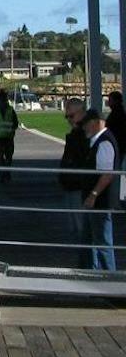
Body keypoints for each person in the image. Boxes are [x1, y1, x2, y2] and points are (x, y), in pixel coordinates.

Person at [80, 108, 118, 271]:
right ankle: (95, 272)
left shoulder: (104, 142)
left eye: (86, 124)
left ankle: (109, 276)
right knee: (95, 239)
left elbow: (107, 174)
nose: (84, 127)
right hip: (96, 201)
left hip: (100, 202)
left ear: (95, 123)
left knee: (102, 241)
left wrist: (93, 194)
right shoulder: (98, 141)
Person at [57, 98, 91, 267]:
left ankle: (88, 265)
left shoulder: (84, 135)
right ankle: (84, 263)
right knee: (76, 228)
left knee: (82, 228)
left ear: (81, 113)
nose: (69, 120)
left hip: (79, 186)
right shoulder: (75, 134)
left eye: (71, 116)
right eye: (67, 117)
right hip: (71, 185)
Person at [0, 88, 20, 176]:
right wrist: (12, 130)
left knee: (1, 157)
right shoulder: (10, 110)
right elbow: (16, 123)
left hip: (0, 138)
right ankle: (6, 173)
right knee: (8, 157)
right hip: (8, 137)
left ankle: (3, 174)